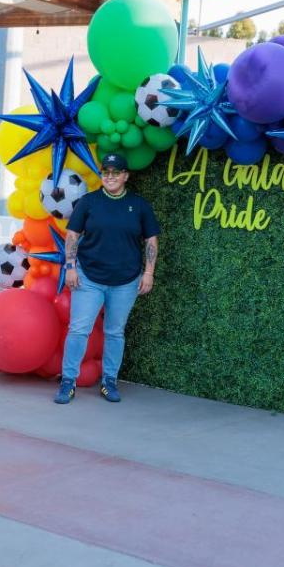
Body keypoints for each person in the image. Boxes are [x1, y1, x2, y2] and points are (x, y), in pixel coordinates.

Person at [54, 152, 161, 404]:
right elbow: (72, 236)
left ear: (125, 176)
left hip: (126, 280)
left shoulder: (139, 205)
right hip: (88, 277)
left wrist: (148, 272)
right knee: (79, 330)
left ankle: (109, 382)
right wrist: (70, 266)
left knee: (115, 332)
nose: (110, 177)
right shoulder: (88, 202)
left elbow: (151, 240)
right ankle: (68, 382)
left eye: (115, 173)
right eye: (106, 173)